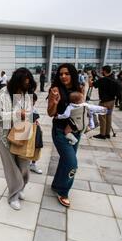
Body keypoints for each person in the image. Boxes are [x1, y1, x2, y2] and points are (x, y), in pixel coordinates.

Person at [0, 67, 36, 210]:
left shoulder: (26, 95)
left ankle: (21, 187)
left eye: (27, 85)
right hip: (3, 135)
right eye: (23, 84)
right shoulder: (3, 93)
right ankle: (13, 195)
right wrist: (16, 114)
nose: (25, 88)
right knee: (11, 167)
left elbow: (29, 113)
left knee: (24, 164)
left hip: (21, 131)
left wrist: (29, 118)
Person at [47, 63, 84, 207]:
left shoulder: (79, 89)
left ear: (72, 75)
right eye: (61, 74)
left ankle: (57, 185)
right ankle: (63, 191)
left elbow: (82, 108)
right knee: (71, 162)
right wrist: (55, 103)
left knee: (66, 160)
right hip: (60, 131)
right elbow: (50, 113)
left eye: (67, 73)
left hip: (75, 131)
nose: (63, 76)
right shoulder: (55, 90)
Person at [89, 65, 119, 139]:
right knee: (108, 117)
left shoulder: (103, 80)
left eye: (102, 70)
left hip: (104, 102)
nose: (101, 72)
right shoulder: (113, 78)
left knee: (102, 118)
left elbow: (91, 85)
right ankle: (107, 133)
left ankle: (102, 134)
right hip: (112, 101)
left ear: (104, 71)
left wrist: (90, 77)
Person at [29, 93, 43, 174]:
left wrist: (37, 123)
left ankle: (33, 165)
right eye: (32, 101)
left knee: (37, 146)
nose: (33, 103)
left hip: (35, 129)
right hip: (26, 130)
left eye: (34, 101)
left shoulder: (33, 108)